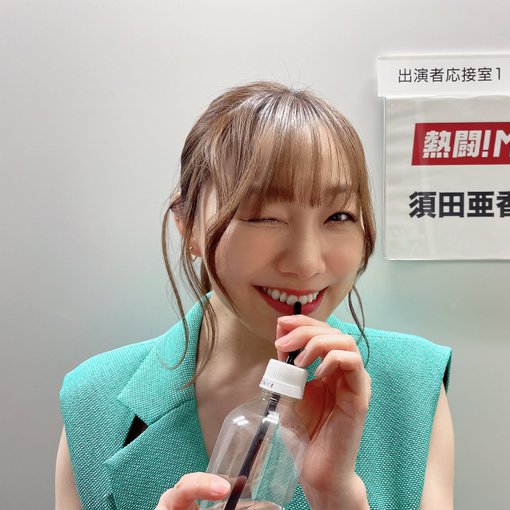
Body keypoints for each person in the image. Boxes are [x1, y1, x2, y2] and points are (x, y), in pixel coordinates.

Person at [55, 81, 454, 510]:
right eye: (264, 216)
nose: (306, 263)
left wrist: (339, 499)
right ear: (188, 225)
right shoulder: (94, 399)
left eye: (338, 216)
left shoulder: (411, 384)